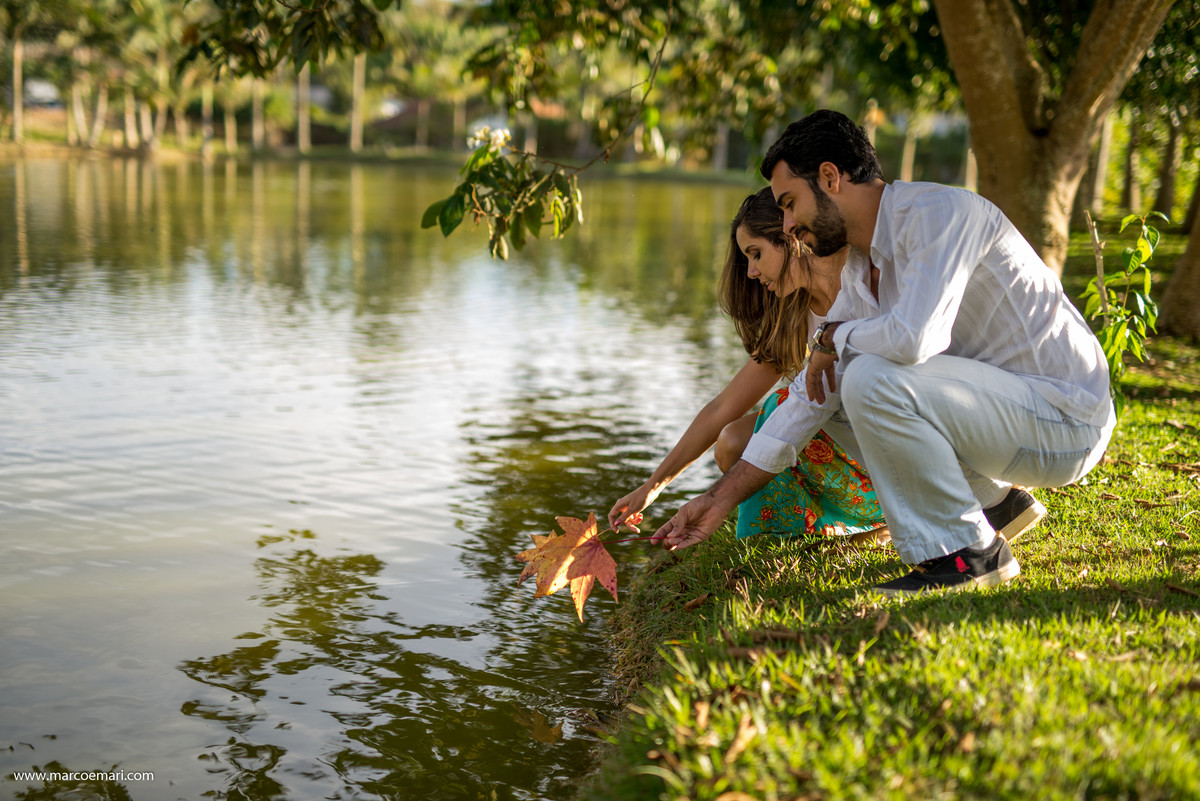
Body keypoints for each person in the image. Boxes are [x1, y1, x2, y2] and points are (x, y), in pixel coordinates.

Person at [653, 109, 1111, 597]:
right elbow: (810, 402)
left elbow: (916, 339)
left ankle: (969, 555)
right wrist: (718, 498)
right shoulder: (862, 268)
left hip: (1065, 421)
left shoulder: (939, 216)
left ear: (830, 178)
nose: (786, 225)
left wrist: (833, 341)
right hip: (1002, 422)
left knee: (868, 374)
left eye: (789, 203)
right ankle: (992, 504)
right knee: (842, 386)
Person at [608, 187, 886, 543]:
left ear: (791, 237)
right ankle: (801, 530)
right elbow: (723, 407)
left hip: (894, 460)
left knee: (778, 406)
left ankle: (888, 523)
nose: (752, 272)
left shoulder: (866, 280)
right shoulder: (796, 312)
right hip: (850, 466)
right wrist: (652, 487)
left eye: (756, 254)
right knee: (734, 440)